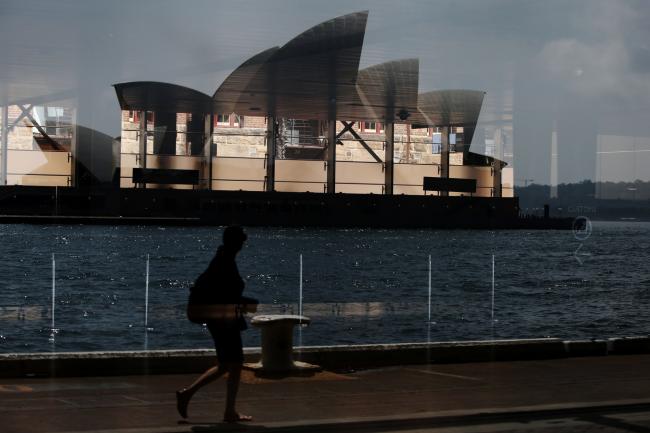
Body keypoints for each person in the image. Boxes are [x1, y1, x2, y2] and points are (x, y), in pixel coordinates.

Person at [176, 225, 253, 423]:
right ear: (235, 242)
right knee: (233, 363)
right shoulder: (224, 262)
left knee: (228, 365)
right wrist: (243, 301)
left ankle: (192, 395)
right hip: (223, 320)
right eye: (241, 240)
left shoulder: (224, 259)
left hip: (223, 318)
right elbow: (223, 293)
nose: (243, 244)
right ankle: (227, 411)